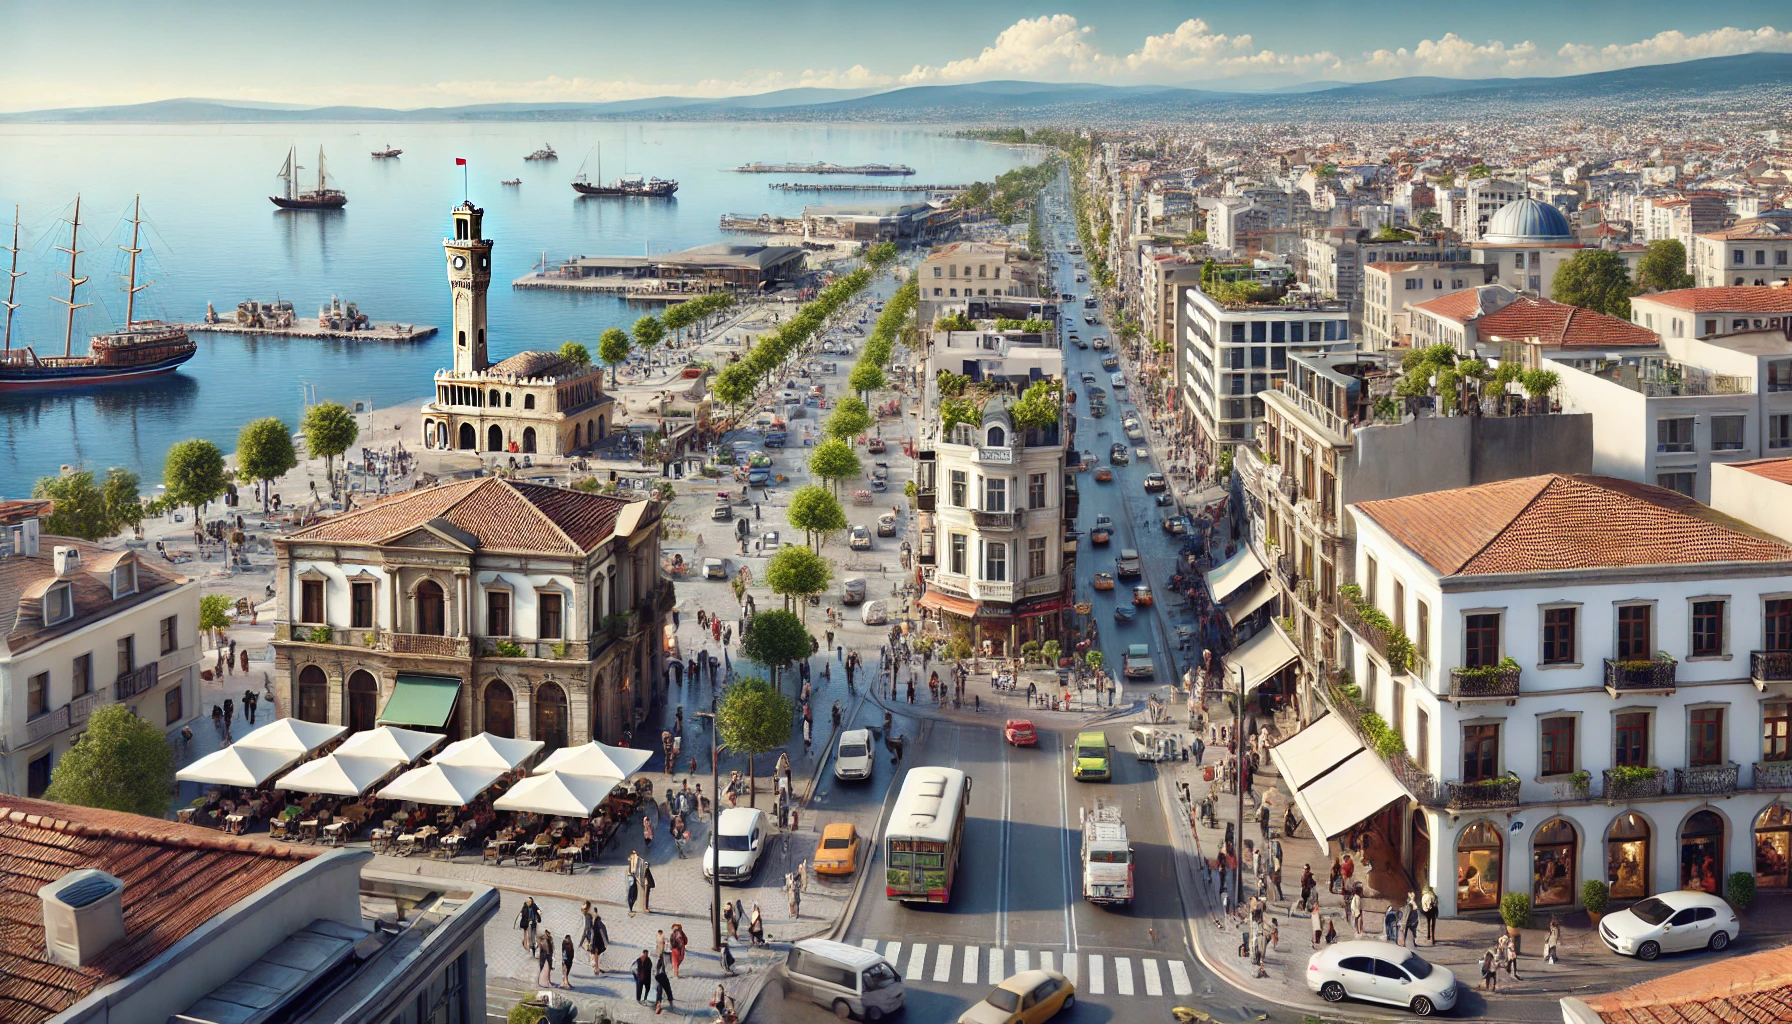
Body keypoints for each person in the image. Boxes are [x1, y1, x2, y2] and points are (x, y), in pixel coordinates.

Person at [584, 903, 609, 972]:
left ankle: (595, 966)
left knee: (594, 952)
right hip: (597, 937)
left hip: (595, 937)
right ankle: (596, 966)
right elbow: (602, 928)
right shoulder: (597, 919)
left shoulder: (593, 919)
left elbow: (590, 929)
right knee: (595, 952)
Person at [654, 948, 675, 1014]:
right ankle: (664, 1002)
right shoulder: (665, 958)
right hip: (662, 976)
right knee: (666, 989)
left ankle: (659, 1003)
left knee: (660, 989)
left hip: (660, 975)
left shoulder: (662, 958)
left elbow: (658, 967)